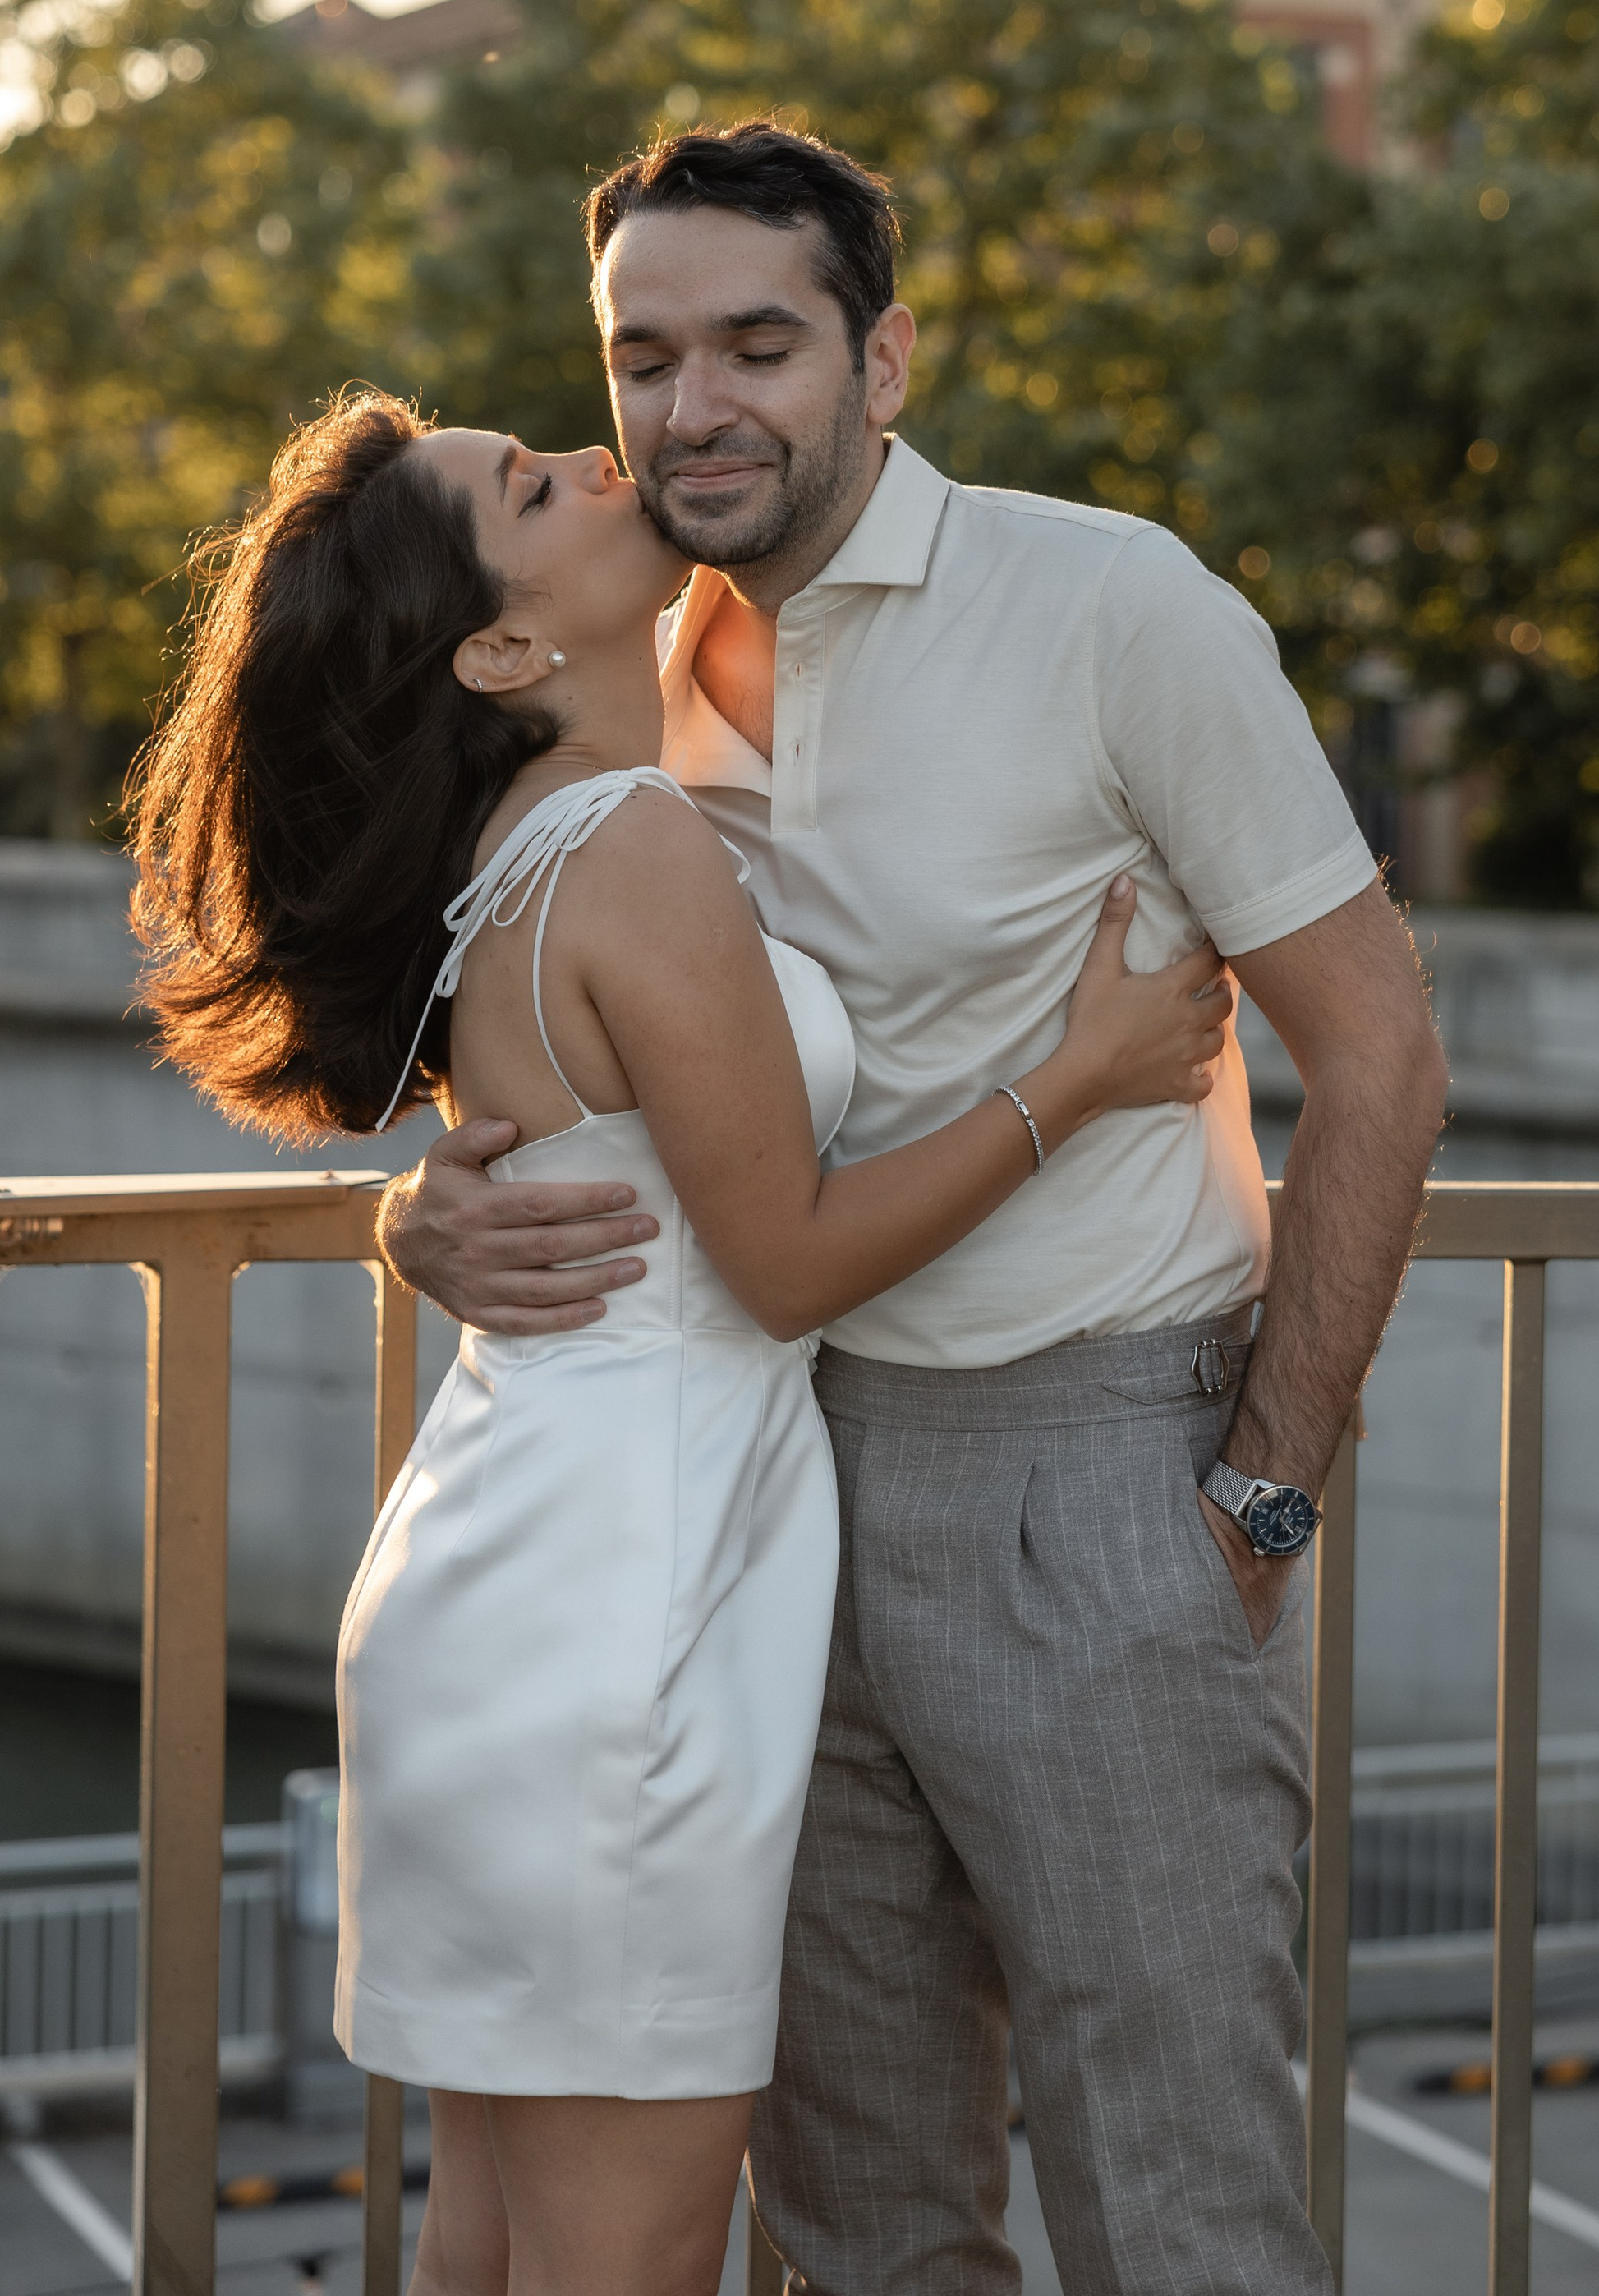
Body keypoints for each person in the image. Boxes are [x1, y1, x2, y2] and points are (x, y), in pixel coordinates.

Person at [384, 121, 1449, 2296]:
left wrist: (1260, 1491)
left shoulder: (1112, 603)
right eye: (646, 355)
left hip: (1099, 1471)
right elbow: (562, 1064)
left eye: (759, 346)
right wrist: (418, 1222)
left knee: (1180, 2213)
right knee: (862, 2228)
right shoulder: (620, 656)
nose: (694, 409)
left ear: (883, 361)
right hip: (767, 1511)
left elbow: (1387, 1055)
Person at [127, 385, 1229, 2296]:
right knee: (617, 2256)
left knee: (490, 2235)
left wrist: (419, 1217)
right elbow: (787, 1264)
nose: (586, 458)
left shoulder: (541, 839)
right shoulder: (625, 840)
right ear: (499, 644)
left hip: (534, 1564)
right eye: (527, 490)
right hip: (621, 1607)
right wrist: (1085, 1072)